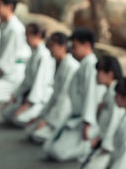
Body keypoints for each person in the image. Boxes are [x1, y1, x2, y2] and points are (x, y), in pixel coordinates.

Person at [43, 28, 101, 162]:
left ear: (86, 45)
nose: (72, 50)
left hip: (85, 120)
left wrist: (87, 122)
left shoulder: (91, 66)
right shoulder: (83, 64)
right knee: (48, 147)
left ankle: (90, 145)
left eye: (75, 46)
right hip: (75, 116)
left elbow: (90, 96)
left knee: (59, 152)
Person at [25, 32, 79, 144]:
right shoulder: (60, 64)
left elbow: (64, 99)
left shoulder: (71, 66)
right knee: (30, 130)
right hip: (54, 108)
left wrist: (48, 121)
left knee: (37, 134)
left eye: (52, 46)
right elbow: (55, 95)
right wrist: (41, 116)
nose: (50, 50)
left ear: (62, 46)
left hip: (64, 111)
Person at [0, 22, 54, 125]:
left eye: (28, 35)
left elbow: (39, 84)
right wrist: (14, 97)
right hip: (27, 95)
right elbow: (26, 80)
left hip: (39, 98)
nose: (26, 39)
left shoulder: (44, 55)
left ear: (37, 35)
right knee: (6, 113)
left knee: (19, 118)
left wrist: (27, 104)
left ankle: (36, 114)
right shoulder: (34, 53)